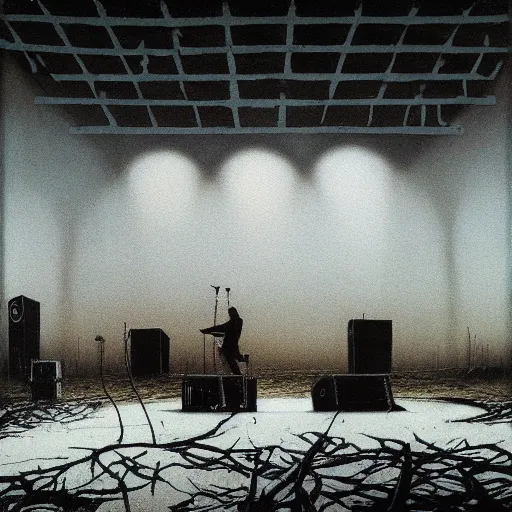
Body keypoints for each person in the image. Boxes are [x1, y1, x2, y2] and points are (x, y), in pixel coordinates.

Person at [201, 307, 244, 375]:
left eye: (230, 314)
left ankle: (238, 375)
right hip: (232, 346)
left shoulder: (236, 321)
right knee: (233, 361)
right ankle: (241, 361)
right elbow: (222, 329)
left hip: (229, 347)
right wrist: (210, 331)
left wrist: (207, 330)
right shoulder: (236, 322)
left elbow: (221, 327)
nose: (229, 315)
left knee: (232, 362)